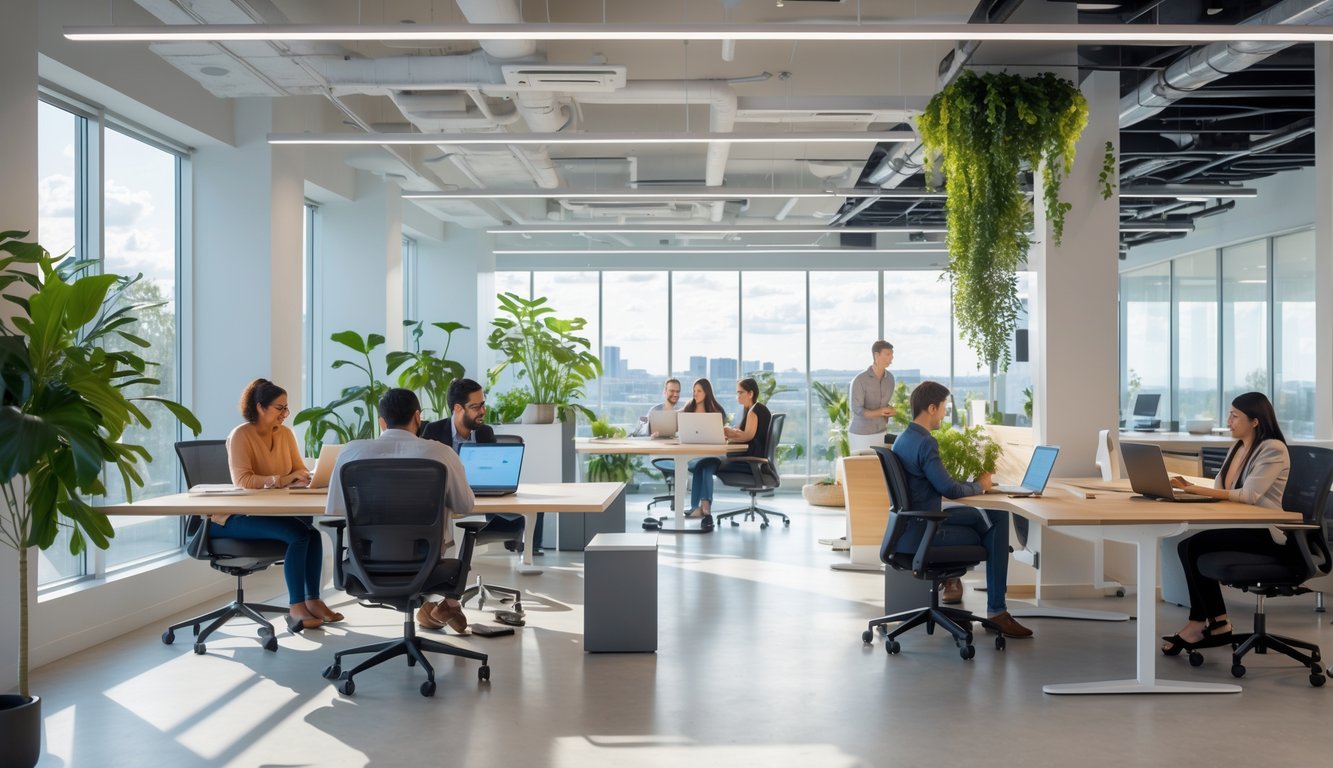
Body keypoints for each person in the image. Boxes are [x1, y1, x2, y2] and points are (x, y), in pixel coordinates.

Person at [327, 388, 476, 633]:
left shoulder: (352, 452)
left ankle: (437, 612)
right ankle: (446, 607)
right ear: (417, 417)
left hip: (367, 563)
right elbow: (465, 505)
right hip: (426, 563)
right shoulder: (440, 453)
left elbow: (336, 508)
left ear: (381, 422)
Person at [891, 380, 1032, 638]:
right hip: (928, 531)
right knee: (995, 526)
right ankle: (997, 612)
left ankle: (995, 610)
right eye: (945, 407)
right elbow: (950, 490)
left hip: (911, 526)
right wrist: (980, 486)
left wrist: (978, 486)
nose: (945, 413)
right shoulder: (925, 443)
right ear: (932, 408)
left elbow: (941, 484)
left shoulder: (904, 439)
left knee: (995, 516)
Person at [1161, 392, 1290, 655]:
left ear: (1255, 421)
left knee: (1193, 546)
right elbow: (1221, 486)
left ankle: (1202, 623)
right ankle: (1215, 622)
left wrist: (1198, 490)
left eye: (1234, 416)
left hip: (1266, 532)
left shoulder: (1273, 449)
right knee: (1188, 545)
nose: (1228, 421)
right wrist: (1186, 489)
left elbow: (1249, 495)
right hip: (1244, 525)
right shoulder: (1238, 447)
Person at [221, 378, 340, 630]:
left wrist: (305, 476)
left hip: (269, 511)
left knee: (312, 534)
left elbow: (298, 468)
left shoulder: (285, 434)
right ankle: (296, 607)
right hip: (234, 517)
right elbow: (242, 480)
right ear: (260, 407)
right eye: (280, 408)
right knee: (299, 535)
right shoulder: (240, 435)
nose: (286, 414)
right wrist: (282, 480)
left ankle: (313, 600)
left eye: (286, 408)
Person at [419, 377, 537, 555]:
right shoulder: (433, 431)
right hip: (448, 500)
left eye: (483, 404)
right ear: (458, 408)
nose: (483, 411)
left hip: (482, 498)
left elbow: (492, 471)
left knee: (531, 510)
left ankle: (524, 552)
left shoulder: (485, 432)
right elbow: (426, 474)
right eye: (476, 407)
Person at [681, 378, 728, 529]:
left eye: (699, 391)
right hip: (695, 454)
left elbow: (721, 434)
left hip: (714, 454)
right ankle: (704, 508)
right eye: (694, 391)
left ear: (707, 392)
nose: (695, 394)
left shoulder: (716, 410)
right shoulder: (689, 407)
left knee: (705, 465)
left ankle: (700, 506)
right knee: (702, 465)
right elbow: (679, 423)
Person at [714, 377, 773, 486]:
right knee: (716, 460)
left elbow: (748, 436)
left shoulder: (754, 410)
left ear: (751, 393)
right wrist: (733, 433)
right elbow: (749, 434)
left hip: (751, 461)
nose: (738, 396)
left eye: (741, 393)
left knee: (714, 463)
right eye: (737, 393)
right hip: (756, 459)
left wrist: (729, 432)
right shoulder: (755, 408)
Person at [849, 340, 897, 453]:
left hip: (881, 432)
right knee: (862, 469)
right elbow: (857, 409)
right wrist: (880, 412)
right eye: (888, 354)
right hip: (860, 435)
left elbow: (884, 405)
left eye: (892, 355)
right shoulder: (859, 380)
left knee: (880, 469)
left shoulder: (890, 379)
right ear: (876, 355)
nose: (891, 358)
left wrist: (891, 410)